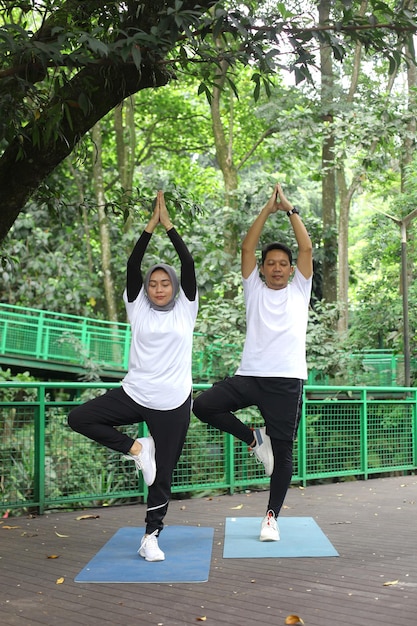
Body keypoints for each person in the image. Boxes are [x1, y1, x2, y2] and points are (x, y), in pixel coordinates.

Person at [68, 190, 198, 562]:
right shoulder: (137, 307)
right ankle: (138, 448)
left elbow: (187, 264)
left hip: (174, 399)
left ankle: (151, 537)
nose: (158, 288)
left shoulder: (186, 309)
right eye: (153, 284)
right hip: (135, 392)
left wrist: (169, 227)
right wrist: (147, 229)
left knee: (163, 475)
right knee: (79, 418)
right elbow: (131, 264)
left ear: (174, 287)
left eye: (165, 283)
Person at [193, 183, 313, 542]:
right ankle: (252, 438)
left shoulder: (299, 290)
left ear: (292, 270)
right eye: (270, 263)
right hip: (249, 376)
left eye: (283, 264)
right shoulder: (254, 288)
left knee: (284, 453)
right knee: (204, 406)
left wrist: (289, 208)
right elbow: (247, 246)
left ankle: (271, 518)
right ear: (261, 268)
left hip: (287, 381)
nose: (277, 269)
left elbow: (306, 246)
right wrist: (267, 208)